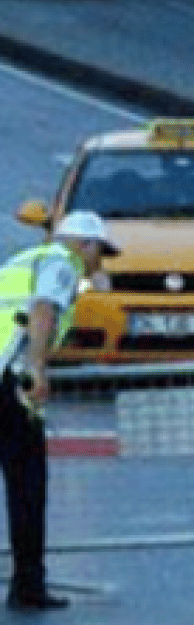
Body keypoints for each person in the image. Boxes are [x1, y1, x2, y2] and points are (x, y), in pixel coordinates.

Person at [0, 210, 121, 612]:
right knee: (27, 485)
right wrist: (36, 370)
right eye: (99, 253)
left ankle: (27, 584)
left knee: (24, 482)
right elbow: (42, 310)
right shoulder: (61, 263)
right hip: (10, 380)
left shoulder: (26, 259)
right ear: (83, 244)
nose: (98, 263)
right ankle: (28, 587)